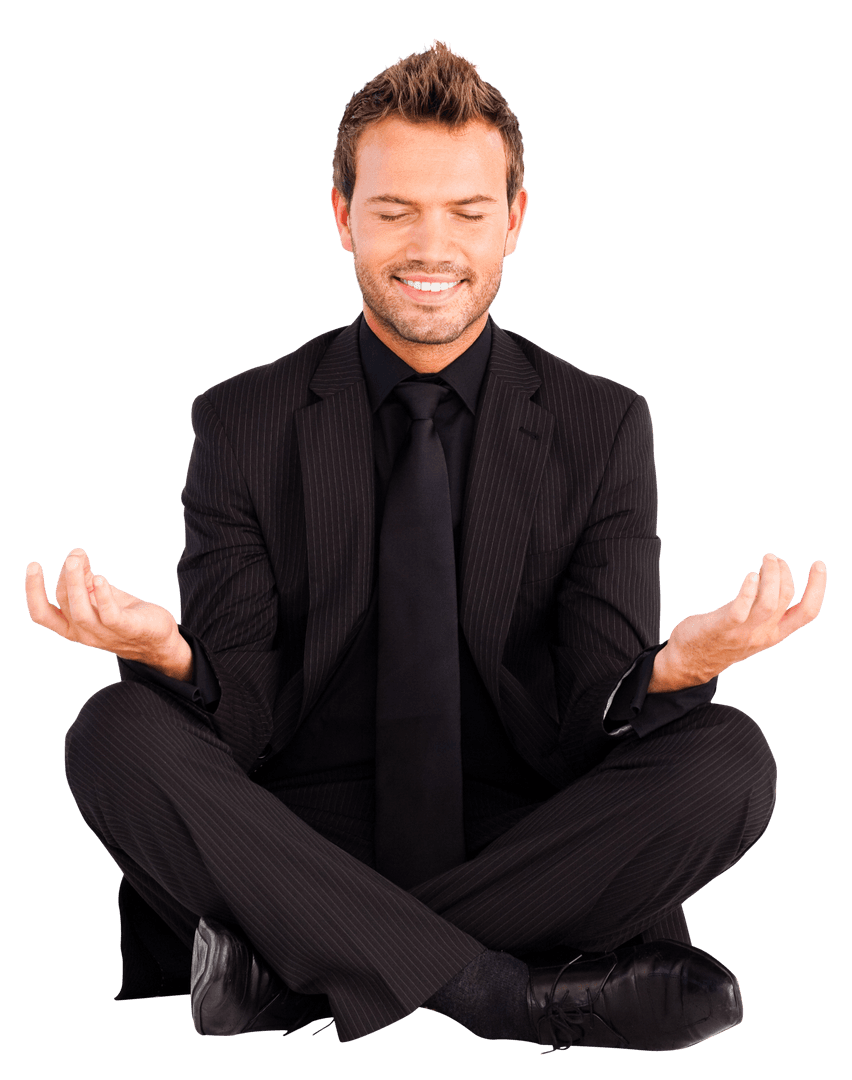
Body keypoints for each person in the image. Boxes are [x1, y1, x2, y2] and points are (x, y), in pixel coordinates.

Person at [27, 40, 826, 1055]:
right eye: (396, 209)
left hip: (527, 838)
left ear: (516, 222)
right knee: (112, 731)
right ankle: (506, 994)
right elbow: (246, 718)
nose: (430, 246)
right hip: (298, 836)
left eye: (467, 212)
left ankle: (298, 968)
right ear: (342, 217)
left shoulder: (602, 422)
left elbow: (588, 716)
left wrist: (678, 669)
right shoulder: (243, 419)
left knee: (733, 762)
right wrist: (168, 656)